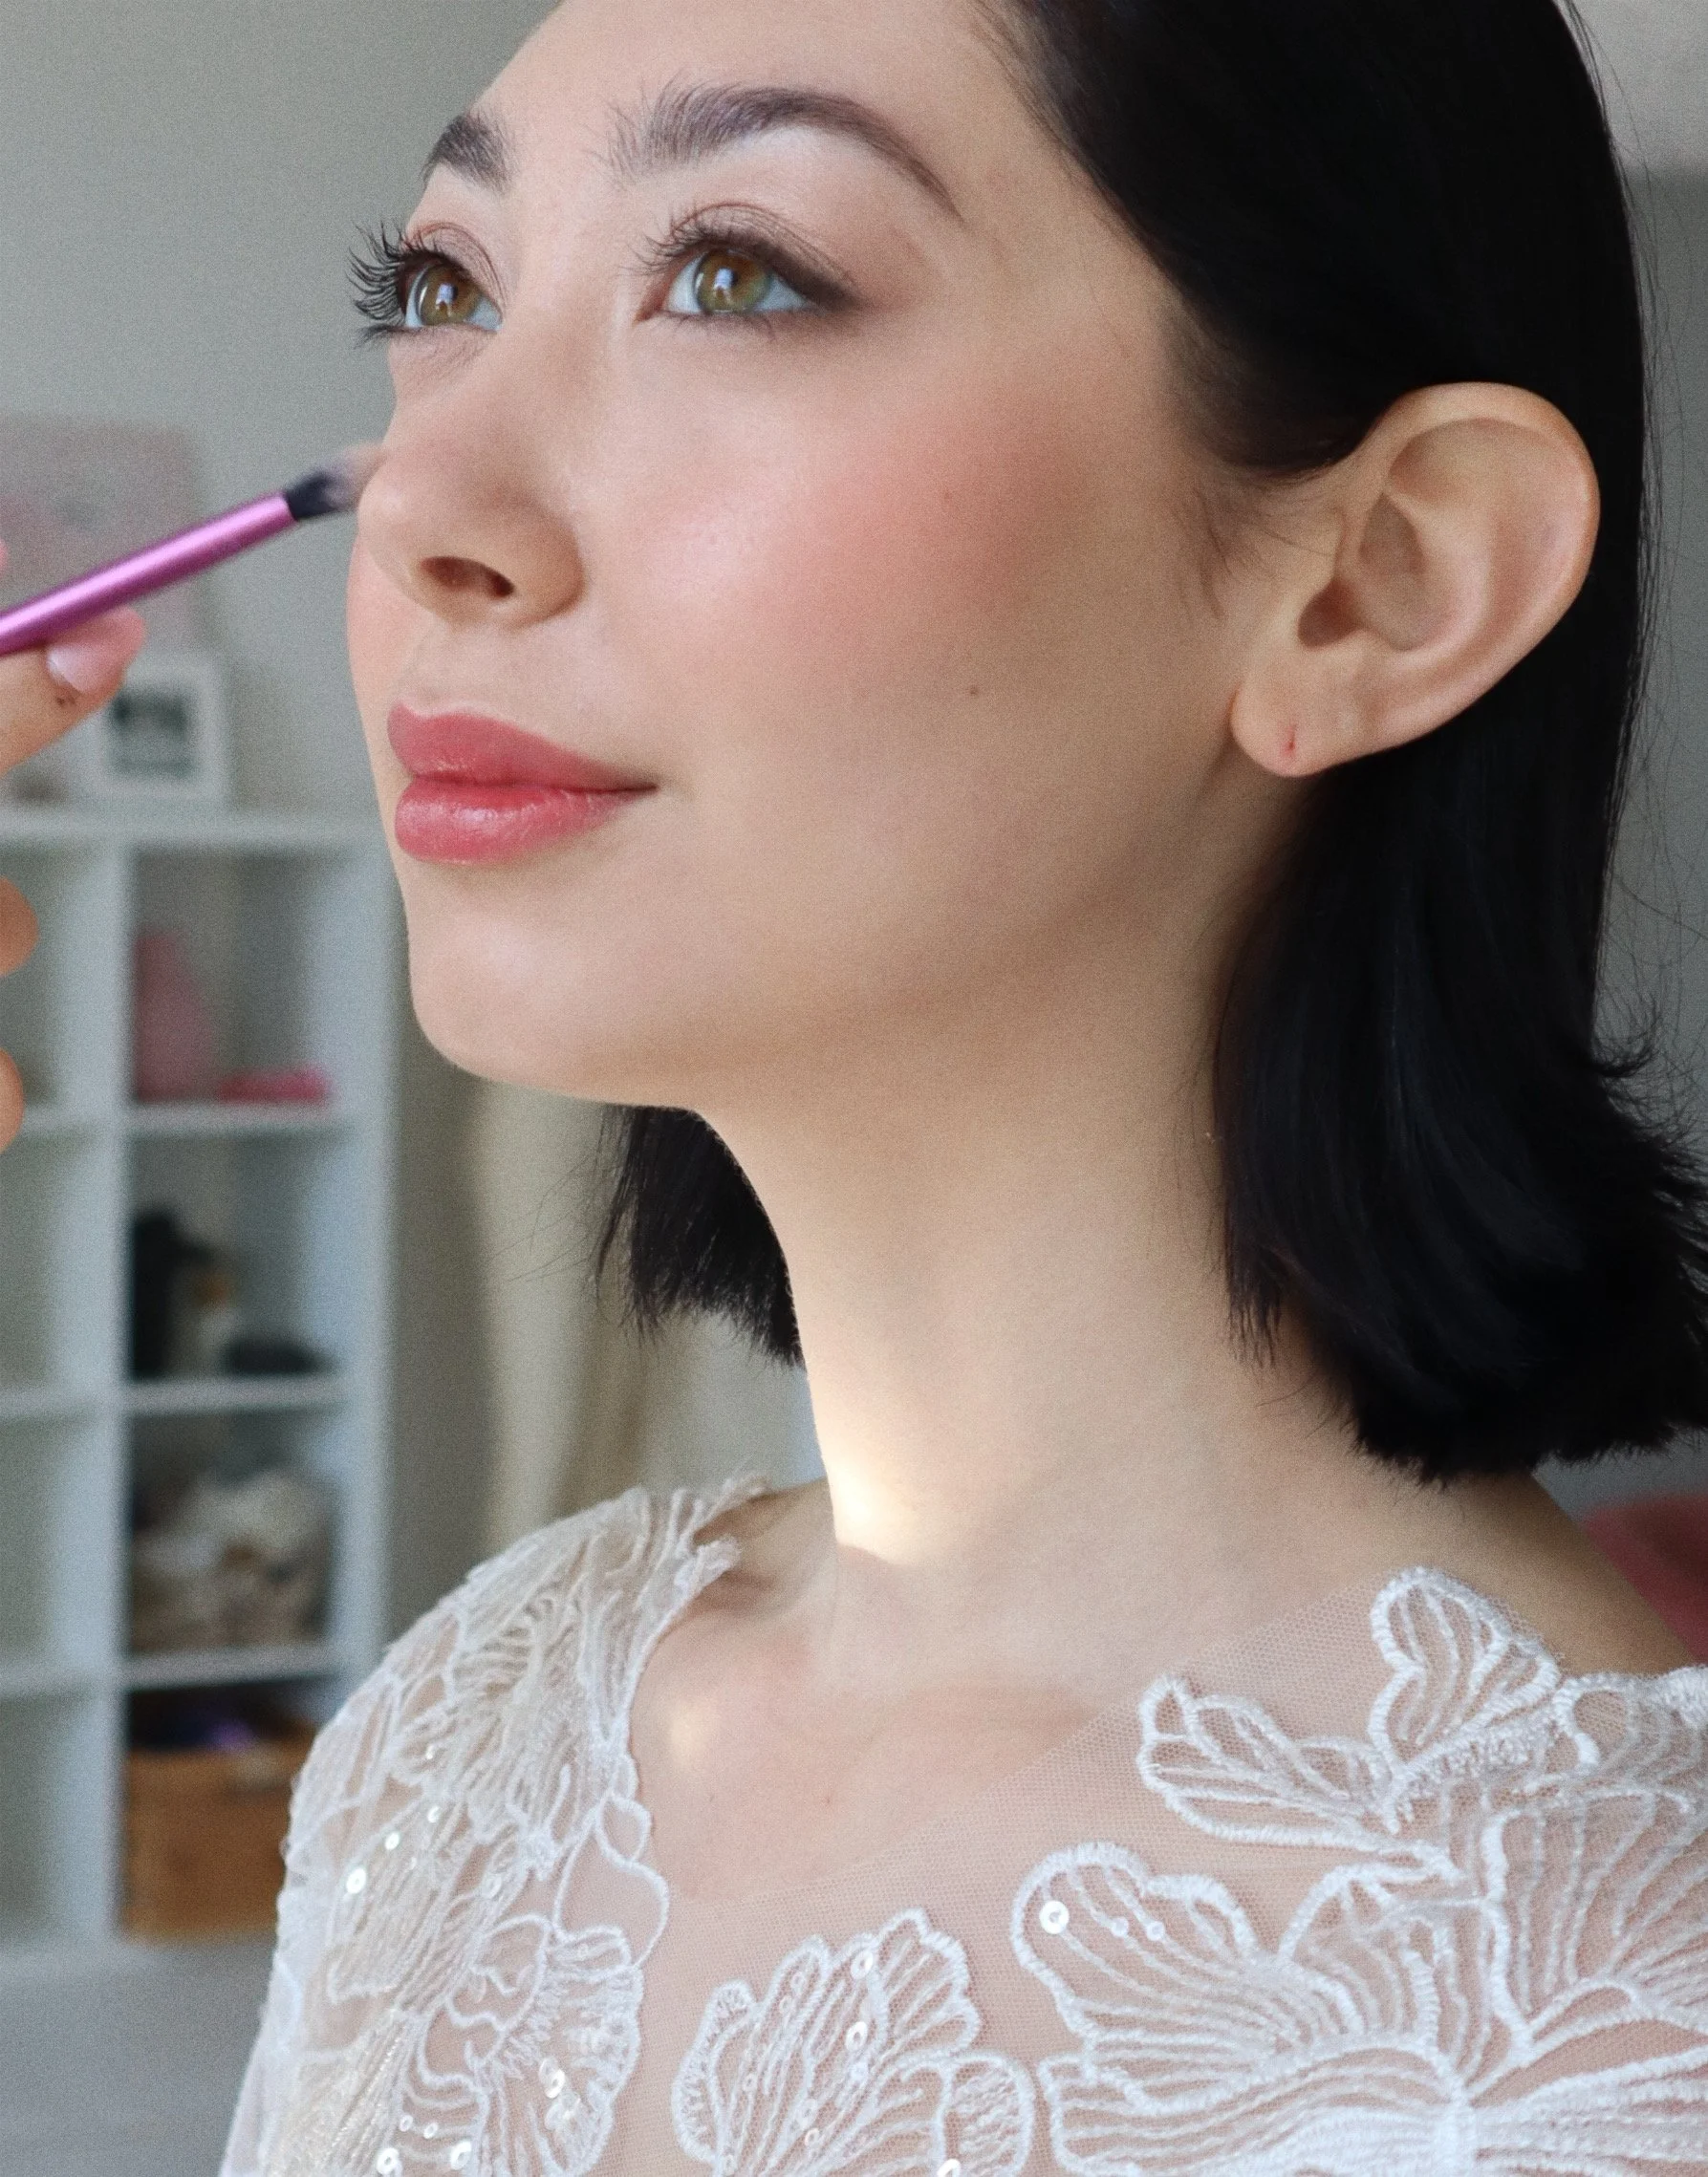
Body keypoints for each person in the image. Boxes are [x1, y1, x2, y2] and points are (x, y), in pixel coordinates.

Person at [7, 0, 1708, 2167]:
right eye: (435, 290)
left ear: (1378, 578)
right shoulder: (490, 1704)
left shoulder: (1606, 2044)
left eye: (737, 273)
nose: (418, 495)